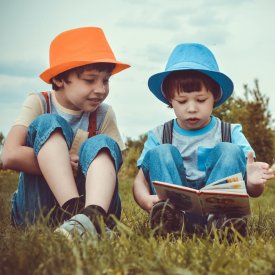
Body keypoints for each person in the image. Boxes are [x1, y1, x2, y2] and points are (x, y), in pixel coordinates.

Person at [133, 43, 274, 237]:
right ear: (169, 99)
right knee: (160, 152)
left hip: (219, 213)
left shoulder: (230, 132)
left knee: (230, 150)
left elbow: (253, 190)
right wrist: (145, 200)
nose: (191, 108)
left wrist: (254, 182)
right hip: (175, 213)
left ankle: (223, 225)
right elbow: (140, 180)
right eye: (182, 101)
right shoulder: (159, 134)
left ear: (214, 96)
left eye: (200, 100)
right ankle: (170, 223)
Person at [1, 27, 130, 239]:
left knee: (102, 143)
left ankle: (92, 216)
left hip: (94, 201)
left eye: (106, 80)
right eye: (90, 80)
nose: (101, 89)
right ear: (60, 79)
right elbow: (9, 155)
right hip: (38, 210)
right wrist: (60, 164)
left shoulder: (104, 113)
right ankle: (76, 214)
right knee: (49, 123)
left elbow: (113, 163)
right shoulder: (39, 102)